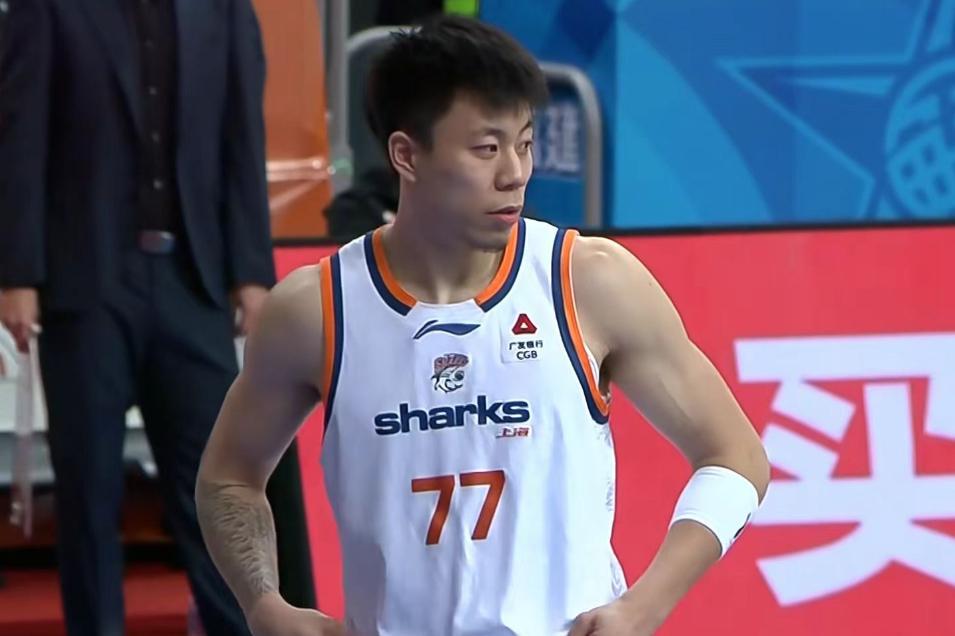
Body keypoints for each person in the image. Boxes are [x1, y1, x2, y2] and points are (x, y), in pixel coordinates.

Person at [196, 15, 770, 636]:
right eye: (487, 149)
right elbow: (229, 478)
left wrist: (644, 605)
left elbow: (736, 457)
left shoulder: (589, 282)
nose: (515, 172)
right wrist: (264, 605)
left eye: (525, 143)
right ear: (406, 155)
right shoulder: (316, 309)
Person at [0, 1, 275, 635]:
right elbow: (18, 135)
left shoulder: (224, 8)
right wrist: (17, 274)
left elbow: (243, 135)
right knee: (88, 492)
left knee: (217, 490)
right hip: (86, 281)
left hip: (192, 280)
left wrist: (251, 273)